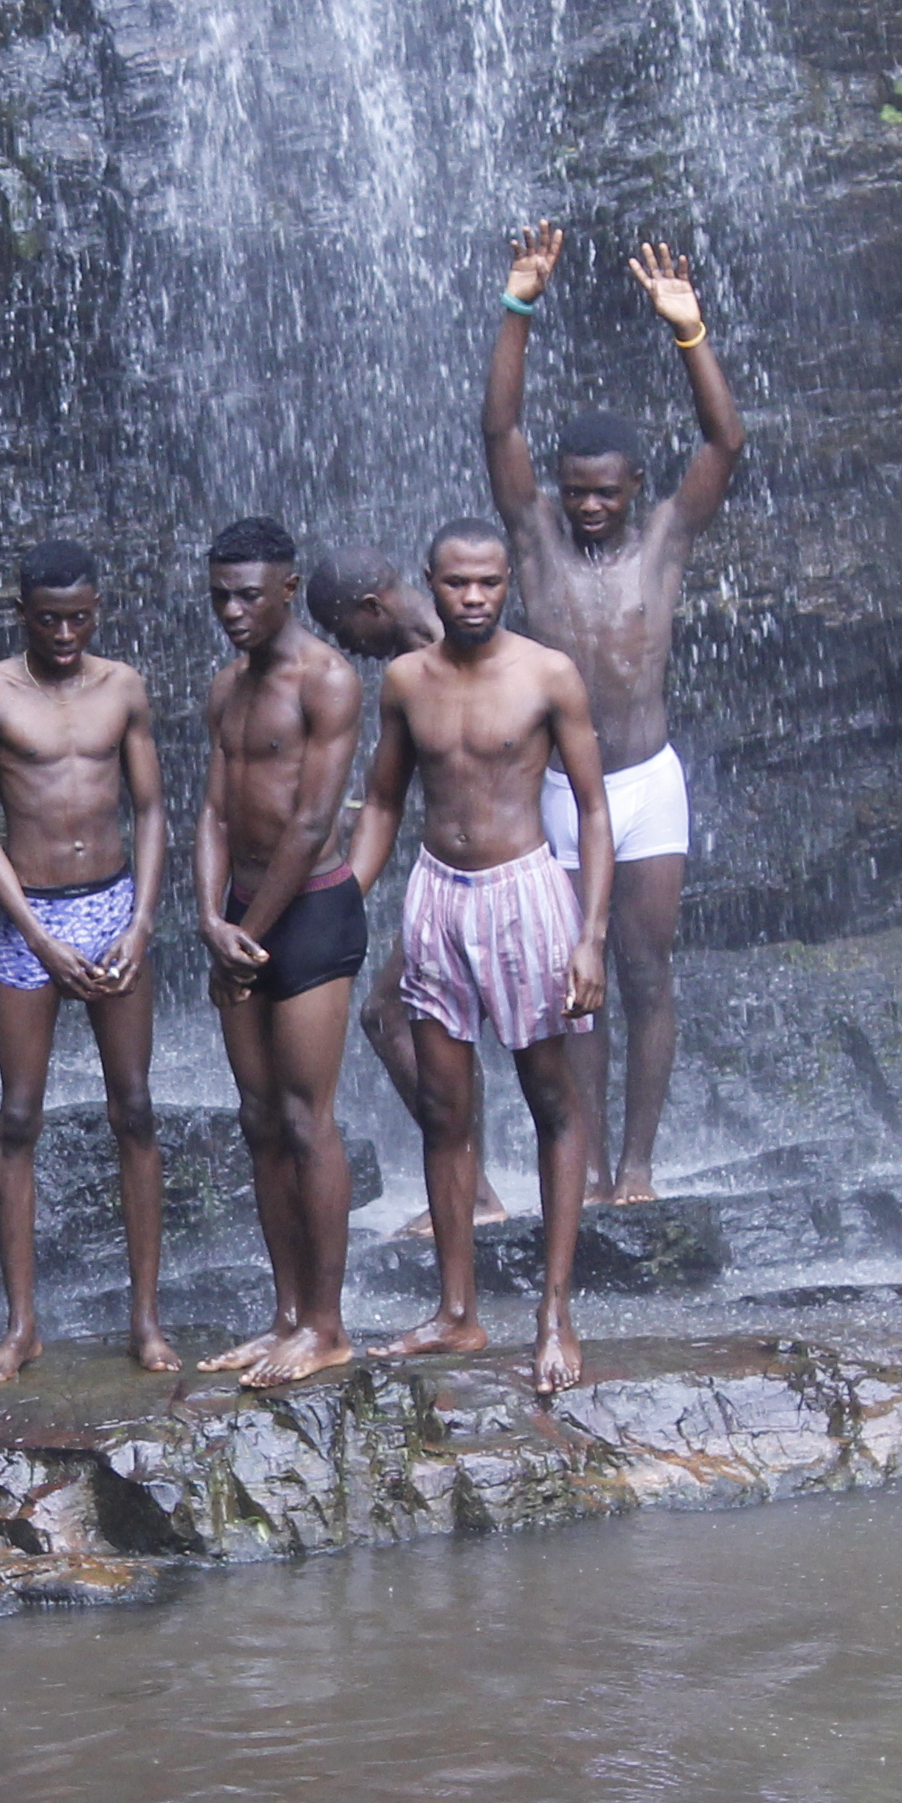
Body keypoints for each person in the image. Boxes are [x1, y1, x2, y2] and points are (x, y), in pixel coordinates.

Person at [484, 228, 741, 1206]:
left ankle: (637, 1165)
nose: (589, 508)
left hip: (646, 782)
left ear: (636, 488)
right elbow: (499, 436)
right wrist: (518, 308)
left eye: (607, 493)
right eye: (577, 491)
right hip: (556, 787)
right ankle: (583, 1165)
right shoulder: (537, 539)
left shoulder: (667, 539)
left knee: (644, 965)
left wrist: (691, 334)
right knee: (570, 987)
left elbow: (725, 444)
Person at [337, 518, 614, 1388]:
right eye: (457, 583)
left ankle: (556, 1313)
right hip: (435, 895)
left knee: (552, 1102)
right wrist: (340, 896)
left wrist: (591, 935)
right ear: (431, 580)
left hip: (524, 893)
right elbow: (382, 803)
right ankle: (457, 1313)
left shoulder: (547, 675)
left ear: (506, 584)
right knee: (448, 1112)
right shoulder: (404, 681)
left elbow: (597, 813)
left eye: (489, 583)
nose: (473, 598)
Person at [0, 542, 174, 1384]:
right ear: (22, 614)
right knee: (17, 1116)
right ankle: (21, 1327)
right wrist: (41, 940)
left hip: (116, 904)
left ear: (97, 608)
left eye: (80, 616)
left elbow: (151, 807)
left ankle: (146, 1321)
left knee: (137, 1108)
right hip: (31, 918)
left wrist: (143, 920)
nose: (66, 632)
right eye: (49, 619)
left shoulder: (123, 686)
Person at [189, 519, 375, 1390]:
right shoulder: (225, 686)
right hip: (239, 920)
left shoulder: (329, 681)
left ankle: (329, 1326)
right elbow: (215, 813)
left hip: (307, 917)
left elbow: (312, 821)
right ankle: (284, 1315)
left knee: (308, 1119)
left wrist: (247, 936)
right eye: (220, 595)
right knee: (258, 1120)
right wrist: (207, 918)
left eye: (248, 596)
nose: (231, 611)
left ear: (289, 590)